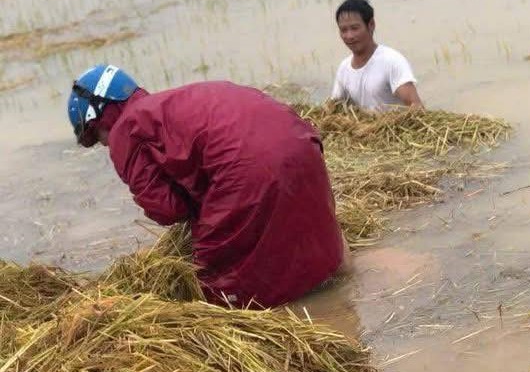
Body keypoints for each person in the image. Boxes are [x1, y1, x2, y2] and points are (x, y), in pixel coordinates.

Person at [67, 64, 349, 308]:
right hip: (303, 144)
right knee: (306, 232)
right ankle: (327, 277)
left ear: (100, 115)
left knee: (212, 281)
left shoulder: (125, 129)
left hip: (249, 168)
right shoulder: (174, 101)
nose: (105, 143)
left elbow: (167, 209)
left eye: (97, 137)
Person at [331, 0, 423, 111]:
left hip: (392, 122)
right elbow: (334, 108)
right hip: (364, 123)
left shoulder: (392, 61)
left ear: (371, 25)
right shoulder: (344, 68)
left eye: (354, 28)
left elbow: (416, 107)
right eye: (343, 30)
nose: (349, 36)